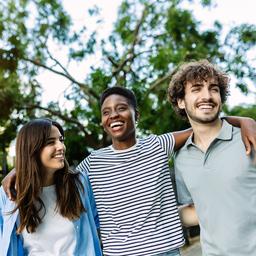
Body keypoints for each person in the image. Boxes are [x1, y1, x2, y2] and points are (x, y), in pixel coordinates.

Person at [2, 88, 256, 256]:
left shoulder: (158, 145)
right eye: (106, 112)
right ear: (102, 121)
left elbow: (204, 126)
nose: (114, 115)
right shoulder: (93, 163)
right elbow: (49, 168)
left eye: (122, 108)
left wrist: (243, 120)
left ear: (137, 115)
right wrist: (17, 170)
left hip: (166, 252)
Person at [168, 59, 256, 256]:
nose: (207, 96)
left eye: (214, 89)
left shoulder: (249, 138)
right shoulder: (182, 157)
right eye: (197, 89)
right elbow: (196, 211)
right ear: (181, 101)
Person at [0, 119, 102, 256]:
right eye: (50, 142)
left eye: (61, 140)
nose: (61, 147)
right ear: (32, 149)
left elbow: (98, 222)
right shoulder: (9, 193)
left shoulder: (79, 183)